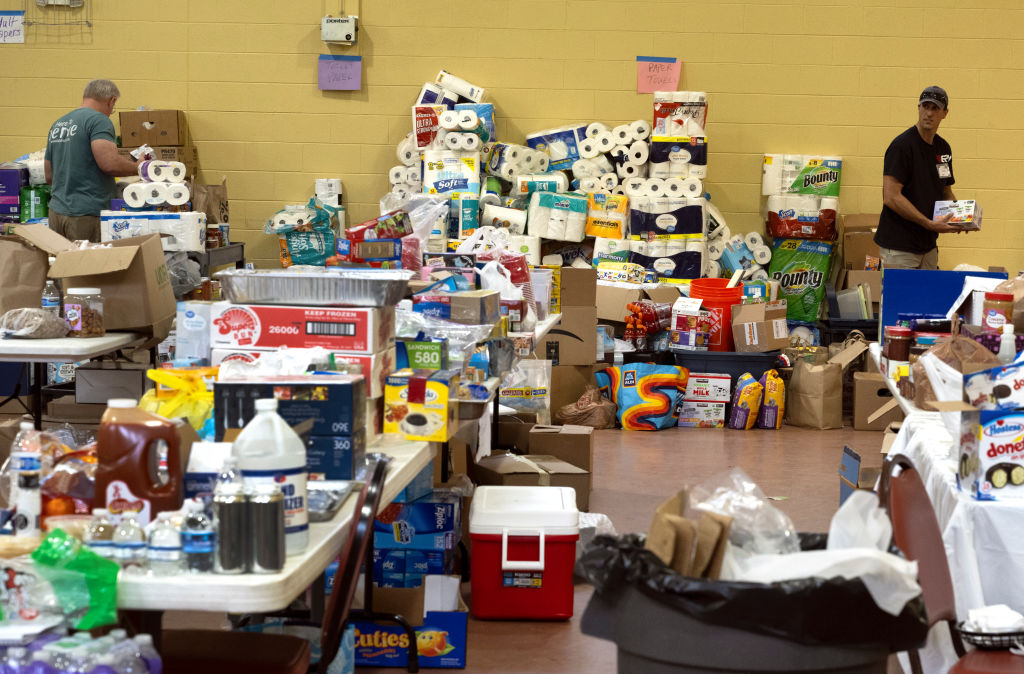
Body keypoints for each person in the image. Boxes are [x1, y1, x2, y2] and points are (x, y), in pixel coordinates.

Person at [874, 86, 964, 270]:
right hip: (899, 247)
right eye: (925, 106)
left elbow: (946, 190)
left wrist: (960, 217)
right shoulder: (902, 146)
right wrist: (928, 223)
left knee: (928, 298)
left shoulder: (943, 149)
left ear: (945, 113)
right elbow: (891, 197)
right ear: (918, 108)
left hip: (928, 246)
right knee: (901, 299)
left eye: (935, 108)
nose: (929, 113)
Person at [44, 79, 140, 242]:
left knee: (62, 265)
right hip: (86, 214)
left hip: (57, 213)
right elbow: (109, 164)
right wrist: (139, 167)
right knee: (89, 265)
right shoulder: (99, 121)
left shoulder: (58, 124)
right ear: (112, 100)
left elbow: (49, 175)